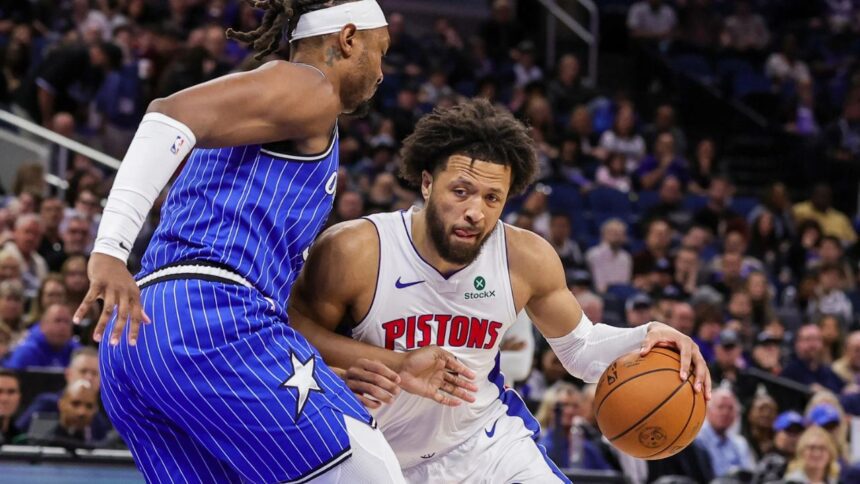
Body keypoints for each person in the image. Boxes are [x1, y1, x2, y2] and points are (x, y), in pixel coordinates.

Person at [74, 2, 471, 482]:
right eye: (380, 51)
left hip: (138, 339)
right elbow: (166, 117)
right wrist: (111, 248)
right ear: (348, 39)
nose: (382, 71)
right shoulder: (309, 85)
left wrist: (320, 372)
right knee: (370, 473)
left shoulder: (269, 103)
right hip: (209, 318)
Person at [288, 99, 710, 483]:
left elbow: (580, 349)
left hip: (485, 444)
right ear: (426, 183)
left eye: (493, 198)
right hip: (372, 454)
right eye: (461, 191)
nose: (476, 211)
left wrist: (647, 335)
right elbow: (288, 337)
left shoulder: (525, 258)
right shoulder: (357, 250)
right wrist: (394, 364)